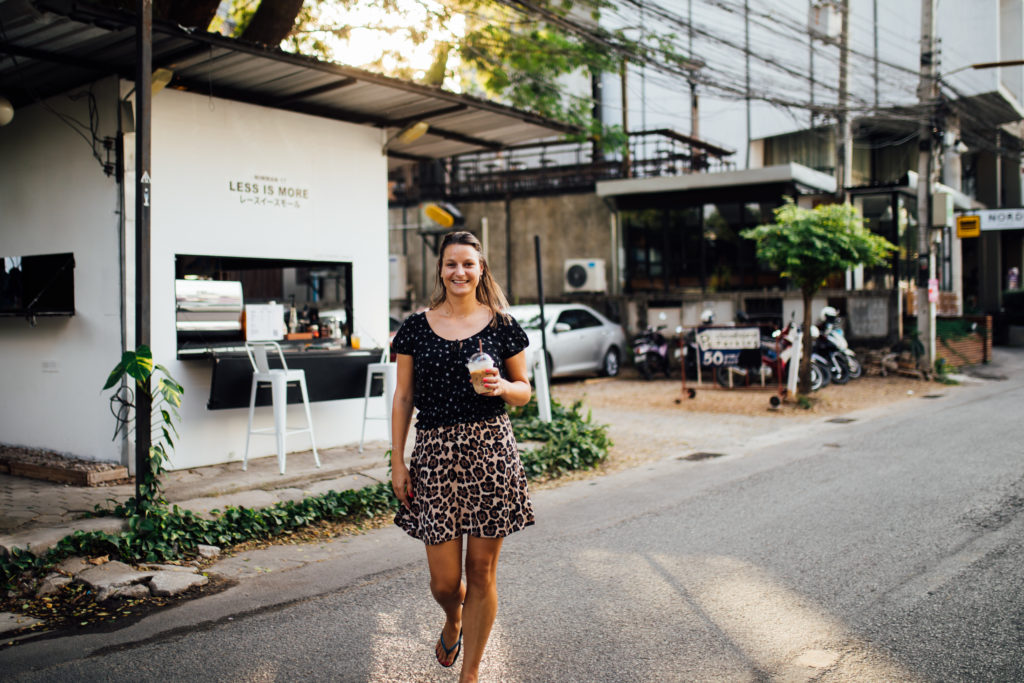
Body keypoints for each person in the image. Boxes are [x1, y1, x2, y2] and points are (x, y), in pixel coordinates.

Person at [390, 230, 534, 682]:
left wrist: (502, 387)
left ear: (481, 268)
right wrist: (398, 461)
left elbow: (524, 391)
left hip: (491, 450)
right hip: (434, 455)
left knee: (482, 570)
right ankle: (453, 618)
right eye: (452, 263)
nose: (460, 272)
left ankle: (469, 673)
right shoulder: (415, 325)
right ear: (440, 269)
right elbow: (403, 396)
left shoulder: (503, 326)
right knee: (445, 582)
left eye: (468, 264)